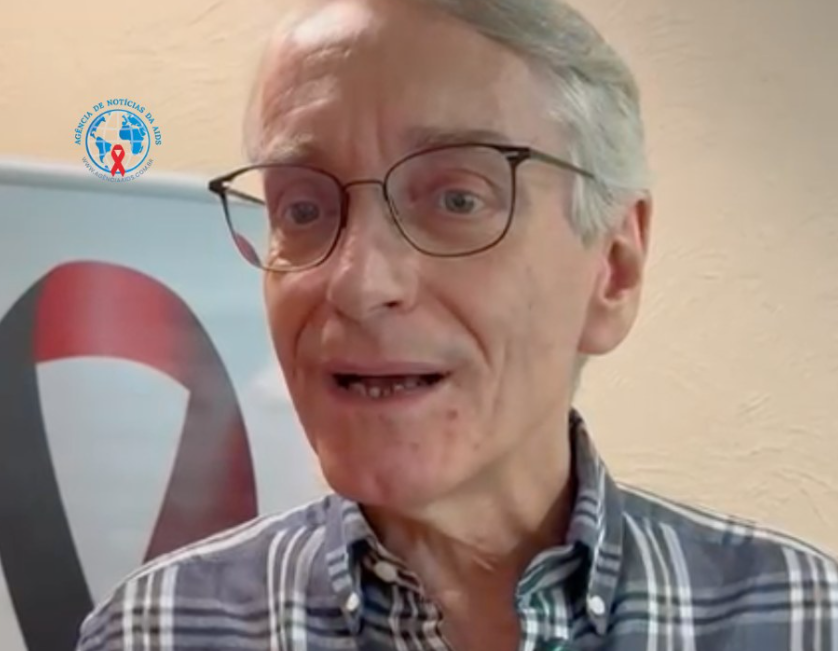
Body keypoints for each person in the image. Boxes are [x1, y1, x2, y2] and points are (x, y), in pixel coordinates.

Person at [76, 0, 838, 649]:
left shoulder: (804, 619)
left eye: (457, 199)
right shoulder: (157, 629)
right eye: (303, 209)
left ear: (614, 268)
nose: (358, 283)